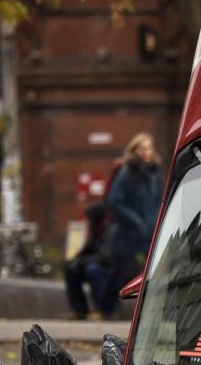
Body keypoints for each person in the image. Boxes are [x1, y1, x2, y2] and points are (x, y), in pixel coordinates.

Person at [103, 132, 163, 311]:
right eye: (143, 148)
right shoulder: (127, 172)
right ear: (134, 151)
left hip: (148, 232)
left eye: (149, 148)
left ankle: (144, 311)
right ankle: (106, 308)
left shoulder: (154, 173)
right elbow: (115, 202)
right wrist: (135, 221)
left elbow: (158, 200)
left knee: (148, 273)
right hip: (129, 234)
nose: (147, 152)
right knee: (120, 272)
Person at [64, 203, 116, 319]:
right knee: (71, 268)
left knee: (92, 269)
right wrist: (76, 260)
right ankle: (80, 310)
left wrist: (83, 261)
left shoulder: (112, 231)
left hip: (112, 270)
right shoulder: (96, 231)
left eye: (88, 219)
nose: (86, 222)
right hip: (97, 265)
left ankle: (102, 310)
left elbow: (106, 257)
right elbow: (86, 251)